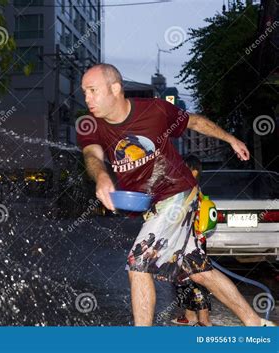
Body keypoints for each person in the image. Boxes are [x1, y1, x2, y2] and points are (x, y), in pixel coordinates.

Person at [76, 63, 276, 326]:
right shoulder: (90, 124)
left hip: (178, 192)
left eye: (92, 90)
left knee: (139, 263)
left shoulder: (156, 110)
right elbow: (92, 154)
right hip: (154, 204)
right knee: (199, 271)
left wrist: (231, 139)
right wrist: (102, 176)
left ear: (115, 88)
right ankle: (255, 322)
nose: (87, 98)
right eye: (84, 92)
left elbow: (196, 121)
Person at [171, 155, 212, 326]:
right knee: (184, 280)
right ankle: (190, 315)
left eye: (183, 168)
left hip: (191, 242)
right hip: (188, 240)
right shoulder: (191, 188)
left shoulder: (191, 189)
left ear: (194, 171)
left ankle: (203, 319)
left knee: (197, 279)